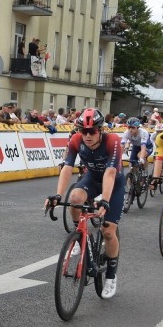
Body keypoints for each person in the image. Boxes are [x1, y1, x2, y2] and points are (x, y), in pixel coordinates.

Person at [45, 108, 123, 299]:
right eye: (84, 131)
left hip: (113, 184)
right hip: (91, 178)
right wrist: (57, 195)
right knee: (75, 198)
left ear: (100, 130)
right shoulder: (76, 141)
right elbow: (67, 167)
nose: (87, 136)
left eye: (92, 131)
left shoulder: (112, 141)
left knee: (108, 231)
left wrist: (105, 199)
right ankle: (78, 233)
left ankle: (111, 277)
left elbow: (110, 173)